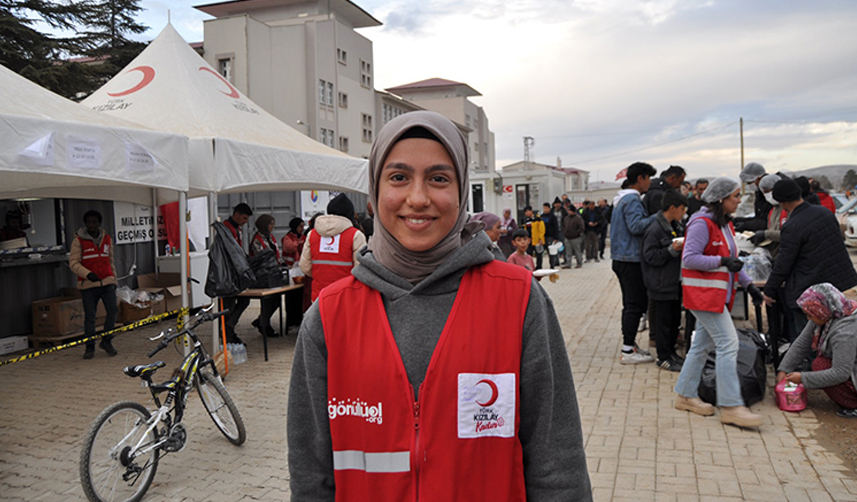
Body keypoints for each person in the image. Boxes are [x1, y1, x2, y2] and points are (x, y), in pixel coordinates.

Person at [287, 111, 591, 500]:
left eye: (438, 178)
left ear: (462, 189)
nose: (418, 198)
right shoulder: (329, 317)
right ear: (375, 190)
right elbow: (311, 476)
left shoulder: (518, 300)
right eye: (398, 177)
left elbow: (557, 462)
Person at [673, 177, 765, 428]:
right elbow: (690, 258)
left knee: (701, 346)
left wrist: (748, 285)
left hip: (715, 296)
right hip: (703, 296)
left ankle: (685, 395)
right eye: (735, 195)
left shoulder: (724, 224)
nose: (738, 199)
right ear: (721, 199)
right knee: (728, 343)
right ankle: (731, 406)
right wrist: (721, 262)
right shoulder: (702, 223)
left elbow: (732, 259)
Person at [763, 178, 857, 340]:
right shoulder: (825, 213)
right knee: (831, 337)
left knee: (806, 341)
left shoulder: (793, 226)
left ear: (782, 202)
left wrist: (769, 289)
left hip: (809, 291)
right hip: (836, 286)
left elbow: (784, 263)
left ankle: (810, 365)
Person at [777, 283, 857, 418]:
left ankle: (854, 405)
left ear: (822, 311)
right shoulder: (830, 313)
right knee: (820, 364)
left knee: (820, 365)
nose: (808, 319)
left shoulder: (845, 333)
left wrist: (803, 378)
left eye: (810, 315)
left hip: (848, 369)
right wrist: (784, 369)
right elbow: (802, 343)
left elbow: (840, 372)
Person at [611, 162, 658, 364]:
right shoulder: (632, 200)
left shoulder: (621, 199)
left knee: (632, 304)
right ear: (640, 178)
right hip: (630, 259)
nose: (649, 183)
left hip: (621, 258)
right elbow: (636, 226)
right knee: (634, 305)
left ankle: (630, 345)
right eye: (648, 178)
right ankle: (628, 351)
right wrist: (661, 216)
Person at [641, 190, 688, 371]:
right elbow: (650, 256)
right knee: (663, 323)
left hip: (672, 282)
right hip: (660, 283)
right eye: (682, 208)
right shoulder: (655, 229)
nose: (683, 212)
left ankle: (671, 353)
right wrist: (671, 250)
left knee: (673, 320)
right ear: (672, 208)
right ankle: (663, 357)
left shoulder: (673, 225)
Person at [69, 210, 119, 359]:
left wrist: (114, 280)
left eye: (94, 222)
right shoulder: (78, 241)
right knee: (90, 317)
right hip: (88, 285)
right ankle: (89, 347)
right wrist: (87, 274)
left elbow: (110, 261)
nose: (92, 225)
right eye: (89, 222)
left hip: (107, 282)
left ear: (99, 223)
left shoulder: (107, 239)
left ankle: (106, 341)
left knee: (113, 311)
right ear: (85, 224)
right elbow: (73, 263)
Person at [300, 193, 367, 302]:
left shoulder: (312, 234)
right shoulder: (355, 235)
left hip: (319, 298)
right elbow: (362, 270)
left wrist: (323, 274)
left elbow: (305, 267)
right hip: (346, 298)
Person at [220, 203, 253, 345]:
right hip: (228, 274)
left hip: (234, 272)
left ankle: (229, 331)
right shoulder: (226, 228)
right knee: (228, 306)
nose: (245, 222)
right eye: (244, 218)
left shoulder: (236, 228)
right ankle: (227, 333)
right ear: (237, 214)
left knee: (240, 301)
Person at [249, 214, 282, 337]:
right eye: (270, 224)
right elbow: (261, 257)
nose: (272, 226)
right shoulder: (257, 239)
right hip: (263, 275)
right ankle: (264, 324)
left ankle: (261, 321)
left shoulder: (271, 237)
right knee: (268, 301)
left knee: (276, 300)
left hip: (273, 272)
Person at [281, 217, 306, 333]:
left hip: (300, 272)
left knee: (299, 298)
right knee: (291, 299)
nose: (302, 228)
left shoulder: (303, 237)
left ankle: (298, 321)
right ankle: (291, 323)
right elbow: (289, 247)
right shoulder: (288, 237)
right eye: (300, 226)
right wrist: (299, 243)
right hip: (290, 272)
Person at [734, 162, 771, 232]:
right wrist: (738, 220)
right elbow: (759, 218)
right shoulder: (759, 193)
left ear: (759, 178)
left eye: (749, 182)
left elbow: (769, 222)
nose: (749, 185)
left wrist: (746, 225)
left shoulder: (770, 194)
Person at [561, 203, 585, 269]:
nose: (568, 212)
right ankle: (568, 264)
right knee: (568, 252)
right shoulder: (566, 218)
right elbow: (563, 225)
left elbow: (581, 227)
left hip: (575, 237)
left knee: (577, 251)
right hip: (567, 237)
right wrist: (565, 232)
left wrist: (577, 233)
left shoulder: (578, 218)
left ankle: (579, 263)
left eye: (570, 211)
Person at [523, 205, 546, 269]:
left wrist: (541, 238)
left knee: (538, 254)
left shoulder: (538, 219)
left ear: (531, 211)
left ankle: (539, 266)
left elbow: (541, 229)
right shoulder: (527, 221)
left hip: (537, 239)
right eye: (525, 212)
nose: (526, 213)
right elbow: (526, 230)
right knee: (529, 254)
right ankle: (530, 266)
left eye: (528, 211)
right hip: (529, 240)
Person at [541, 202, 560, 267]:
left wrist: (556, 238)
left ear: (549, 208)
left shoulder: (552, 217)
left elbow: (556, 227)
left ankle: (552, 264)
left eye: (546, 208)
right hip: (543, 236)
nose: (545, 209)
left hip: (550, 236)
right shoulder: (541, 216)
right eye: (544, 208)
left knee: (551, 251)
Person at [552, 197, 567, 266]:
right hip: (554, 231)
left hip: (562, 230)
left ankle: (565, 259)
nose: (557, 205)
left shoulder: (564, 211)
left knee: (564, 246)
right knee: (555, 247)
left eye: (559, 204)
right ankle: (556, 261)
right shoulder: (552, 211)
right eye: (556, 204)